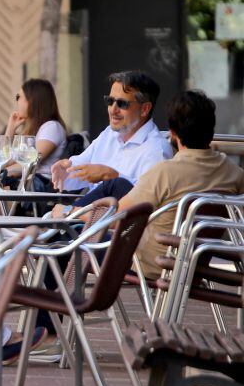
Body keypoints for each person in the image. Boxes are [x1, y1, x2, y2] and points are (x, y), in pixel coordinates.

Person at [59, 90, 244, 281]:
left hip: (149, 263)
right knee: (117, 184)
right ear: (211, 130)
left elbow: (113, 219)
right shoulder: (234, 173)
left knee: (62, 238)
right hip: (193, 261)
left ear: (172, 133)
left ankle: (50, 305)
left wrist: (70, 212)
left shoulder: (165, 172)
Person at [51, 70, 172, 202]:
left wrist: (113, 176)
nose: (113, 110)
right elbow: (77, 175)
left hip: (114, 220)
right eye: (110, 101)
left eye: (122, 104)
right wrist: (64, 171)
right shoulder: (109, 134)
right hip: (87, 217)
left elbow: (148, 202)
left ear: (144, 109)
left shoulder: (157, 150)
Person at [3, 78, 67, 189]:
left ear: (32, 100)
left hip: (35, 186)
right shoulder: (32, 130)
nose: (17, 102)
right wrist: (10, 128)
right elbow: (1, 160)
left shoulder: (52, 127)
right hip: (22, 185)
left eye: (19, 97)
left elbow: (29, 163)